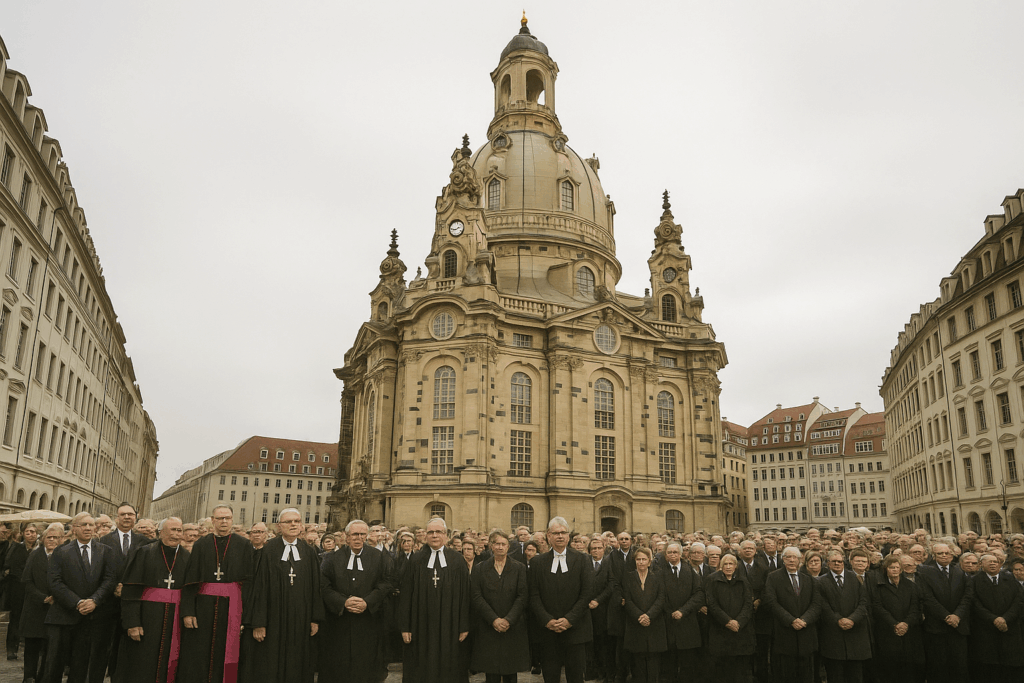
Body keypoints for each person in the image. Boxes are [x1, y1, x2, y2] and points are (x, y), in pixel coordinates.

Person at [247, 509, 323, 683]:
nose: (293, 525)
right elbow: (259, 588)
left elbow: (315, 588)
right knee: (271, 664)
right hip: (274, 620)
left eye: (296, 521)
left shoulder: (309, 552)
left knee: (300, 662)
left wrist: (315, 619)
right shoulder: (267, 551)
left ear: (302, 525)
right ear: (279, 526)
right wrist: (258, 623)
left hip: (301, 620)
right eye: (288, 522)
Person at [179, 505, 254, 683]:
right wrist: (188, 611)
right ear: (212, 520)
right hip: (203, 607)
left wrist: (247, 613)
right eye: (220, 518)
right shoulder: (201, 544)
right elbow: (190, 581)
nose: (224, 522)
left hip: (233, 606)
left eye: (227, 518)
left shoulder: (244, 544)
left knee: (227, 649)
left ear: (232, 519)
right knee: (202, 650)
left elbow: (250, 582)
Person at [41, 513, 118, 683]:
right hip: (63, 616)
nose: (88, 528)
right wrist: (77, 602)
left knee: (80, 665)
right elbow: (54, 581)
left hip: (90, 618)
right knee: (53, 664)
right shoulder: (61, 551)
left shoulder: (106, 551)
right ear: (74, 528)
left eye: (91, 525)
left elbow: (109, 579)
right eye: (84, 525)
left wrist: (95, 600)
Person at [114, 517, 189, 683]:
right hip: (147, 618)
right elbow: (131, 590)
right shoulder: (145, 552)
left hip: (174, 619)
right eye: (172, 530)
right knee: (142, 662)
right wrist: (132, 623)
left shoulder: (186, 556)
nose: (176, 535)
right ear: (160, 532)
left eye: (179, 530)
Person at [320, 519, 394, 683]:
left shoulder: (379, 557)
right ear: (346, 537)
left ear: (367, 536)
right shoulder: (332, 559)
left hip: (368, 622)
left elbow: (386, 583)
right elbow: (324, 586)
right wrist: (343, 602)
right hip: (340, 623)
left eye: (362, 534)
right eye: (354, 534)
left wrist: (367, 601)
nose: (358, 538)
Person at [399, 517, 471, 683]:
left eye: (438, 532)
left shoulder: (457, 561)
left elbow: (465, 596)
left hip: (450, 627)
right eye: (430, 532)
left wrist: (464, 625)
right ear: (425, 536)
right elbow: (406, 596)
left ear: (446, 535)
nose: (434, 535)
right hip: (420, 626)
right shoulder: (415, 561)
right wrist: (405, 626)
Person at [528, 516, 593, 683]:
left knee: (576, 677)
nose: (560, 536)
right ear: (548, 536)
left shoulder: (582, 559)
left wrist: (569, 620)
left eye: (563, 532)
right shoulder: (537, 562)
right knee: (550, 677)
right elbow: (533, 595)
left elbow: (586, 594)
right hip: (548, 632)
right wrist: (547, 620)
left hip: (576, 629)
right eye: (555, 533)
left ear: (568, 536)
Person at [97, 501, 150, 680]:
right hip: (108, 603)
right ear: (116, 517)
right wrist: (114, 587)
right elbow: (99, 571)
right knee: (104, 645)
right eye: (123, 514)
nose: (127, 517)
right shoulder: (103, 542)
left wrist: (128, 589)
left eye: (130, 514)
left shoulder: (145, 543)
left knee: (128, 647)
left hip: (134, 603)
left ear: (136, 517)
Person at [470, 530, 530, 683]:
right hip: (489, 626)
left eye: (503, 544)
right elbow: (477, 596)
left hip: (512, 626)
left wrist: (509, 620)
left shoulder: (519, 568)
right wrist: (494, 619)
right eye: (497, 543)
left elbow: (522, 596)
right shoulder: (479, 568)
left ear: (508, 547)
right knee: (492, 673)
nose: (500, 547)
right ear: (491, 546)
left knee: (511, 671)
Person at [915, 542, 971, 683]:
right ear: (934, 556)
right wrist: (946, 616)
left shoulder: (959, 571)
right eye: (940, 553)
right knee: (938, 667)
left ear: (952, 555)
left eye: (947, 553)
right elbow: (927, 598)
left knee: (959, 667)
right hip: (937, 627)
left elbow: (967, 596)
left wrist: (957, 615)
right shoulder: (924, 572)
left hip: (958, 627)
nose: (944, 556)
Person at [763, 546, 819, 683]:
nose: (792, 560)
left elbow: (816, 604)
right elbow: (771, 602)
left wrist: (805, 620)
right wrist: (791, 620)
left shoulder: (809, 579)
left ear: (800, 560)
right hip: (784, 634)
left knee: (806, 675)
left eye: (795, 557)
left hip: (806, 634)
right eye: (788, 557)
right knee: (786, 675)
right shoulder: (773, 577)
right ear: (783, 560)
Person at [816, 549, 870, 683]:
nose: (837, 564)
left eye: (840, 561)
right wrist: (838, 619)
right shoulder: (820, 581)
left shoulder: (855, 578)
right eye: (833, 561)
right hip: (833, 634)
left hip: (855, 633)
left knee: (855, 676)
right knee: (835, 675)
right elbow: (823, 605)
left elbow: (863, 602)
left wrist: (852, 619)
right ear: (828, 564)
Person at [968, 553, 1024, 680]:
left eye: (995, 561)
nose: (993, 564)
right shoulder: (974, 581)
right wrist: (994, 619)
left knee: (1010, 666)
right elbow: (974, 603)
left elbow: (1019, 600)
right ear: (981, 564)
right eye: (989, 562)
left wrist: (1005, 618)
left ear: (1000, 564)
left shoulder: (1010, 578)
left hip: (1009, 627)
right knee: (989, 667)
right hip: (986, 629)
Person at [871, 555, 923, 682]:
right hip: (888, 632)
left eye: (897, 567)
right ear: (886, 569)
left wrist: (905, 624)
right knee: (890, 669)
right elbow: (877, 607)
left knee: (909, 668)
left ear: (901, 570)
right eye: (891, 567)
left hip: (909, 632)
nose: (894, 570)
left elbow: (915, 607)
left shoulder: (911, 586)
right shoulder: (878, 586)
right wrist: (894, 624)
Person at [21, 523, 62, 683]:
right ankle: (28, 676)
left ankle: (44, 677)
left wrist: (56, 597)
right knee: (31, 646)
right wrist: (43, 597)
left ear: (61, 540)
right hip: (34, 608)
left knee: (50, 648)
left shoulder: (64, 555)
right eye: (49, 537)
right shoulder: (35, 554)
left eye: (55, 537)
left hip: (55, 610)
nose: (52, 540)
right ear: (43, 539)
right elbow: (26, 581)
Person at [704, 554, 754, 682]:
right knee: (722, 669)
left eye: (731, 564)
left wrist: (739, 622)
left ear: (735, 566)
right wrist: (727, 621)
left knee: (740, 668)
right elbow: (712, 604)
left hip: (740, 630)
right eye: (725, 564)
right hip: (720, 629)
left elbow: (748, 603)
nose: (728, 567)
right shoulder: (712, 580)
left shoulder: (743, 580)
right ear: (720, 566)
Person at [661, 541, 703, 683]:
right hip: (668, 622)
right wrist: (671, 612)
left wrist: (683, 611)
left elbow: (698, 594)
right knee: (669, 663)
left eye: (675, 552)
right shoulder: (659, 571)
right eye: (669, 552)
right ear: (666, 555)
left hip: (687, 622)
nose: (673, 555)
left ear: (680, 554)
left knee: (687, 663)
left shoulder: (690, 570)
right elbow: (659, 595)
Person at [621, 547, 665, 683]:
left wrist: (649, 616)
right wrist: (640, 616)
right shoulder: (628, 577)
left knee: (653, 659)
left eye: (644, 559)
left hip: (654, 623)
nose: (641, 562)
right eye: (638, 559)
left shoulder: (657, 577)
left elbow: (661, 598)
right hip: (635, 623)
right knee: (637, 660)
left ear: (649, 562)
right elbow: (627, 600)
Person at [4, 523, 39, 660]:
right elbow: (12, 567)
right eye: (28, 532)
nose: (32, 534)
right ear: (23, 533)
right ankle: (11, 648)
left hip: (34, 591)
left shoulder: (39, 549)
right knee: (15, 619)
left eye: (34, 532)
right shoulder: (17, 547)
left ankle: (28, 648)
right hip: (18, 589)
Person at [585, 536, 614, 683]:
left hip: (603, 610)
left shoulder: (609, 564)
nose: (596, 551)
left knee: (604, 644)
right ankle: (591, 672)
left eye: (599, 548)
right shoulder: (584, 563)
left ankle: (605, 673)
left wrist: (598, 600)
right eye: (593, 549)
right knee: (590, 643)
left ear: (604, 549)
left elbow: (611, 585)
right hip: (587, 609)